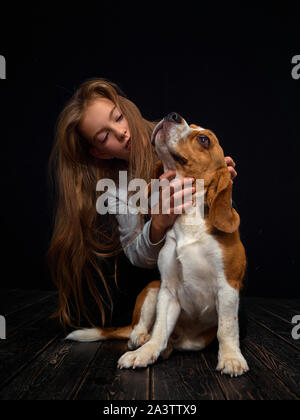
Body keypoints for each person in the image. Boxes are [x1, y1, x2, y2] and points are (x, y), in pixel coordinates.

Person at [47, 78, 237, 331]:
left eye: (118, 118)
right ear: (100, 152)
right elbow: (135, 254)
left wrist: (219, 182)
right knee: (106, 304)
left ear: (127, 109)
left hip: (199, 264)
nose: (121, 133)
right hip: (152, 275)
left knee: (236, 319)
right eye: (105, 137)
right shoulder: (115, 189)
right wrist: (158, 223)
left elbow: (216, 222)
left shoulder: (173, 133)